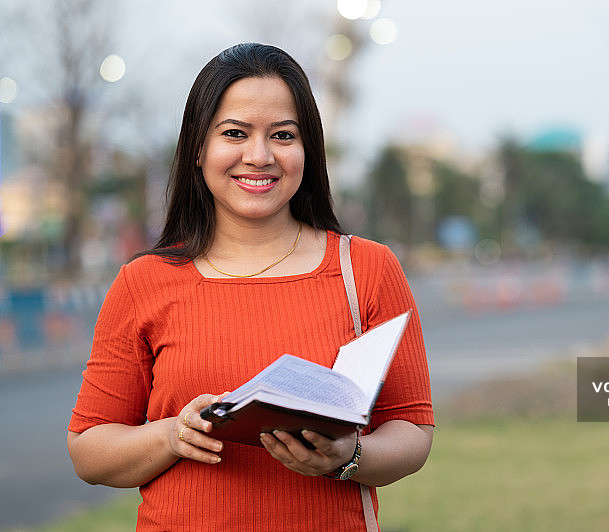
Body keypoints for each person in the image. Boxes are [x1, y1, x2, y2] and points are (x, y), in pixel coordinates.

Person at [67, 43, 434, 531]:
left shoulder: (367, 269)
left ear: (308, 150)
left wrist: (349, 456)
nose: (259, 156)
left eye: (283, 135)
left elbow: (413, 430)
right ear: (198, 149)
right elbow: (89, 449)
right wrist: (172, 435)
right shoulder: (143, 281)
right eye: (234, 133)